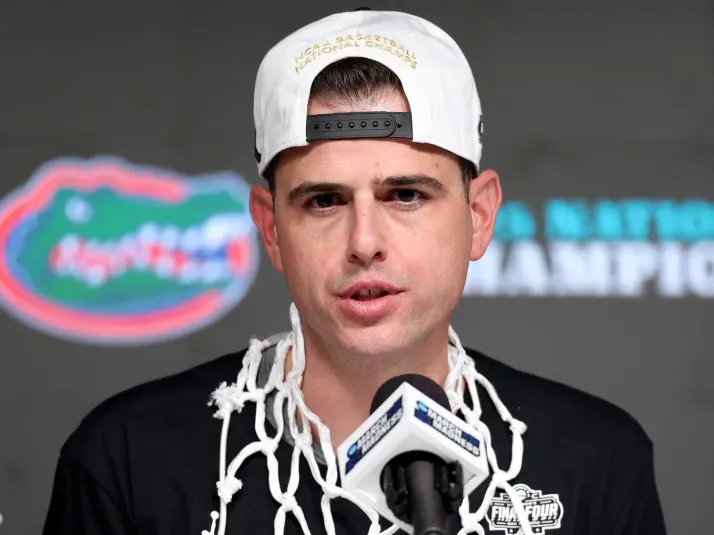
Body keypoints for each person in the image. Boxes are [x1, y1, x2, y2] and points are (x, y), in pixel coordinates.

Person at [42, 9, 667, 535]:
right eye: (323, 201)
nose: (364, 243)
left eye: (406, 195)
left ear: (478, 216)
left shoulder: (598, 459)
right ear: (271, 229)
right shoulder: (126, 458)